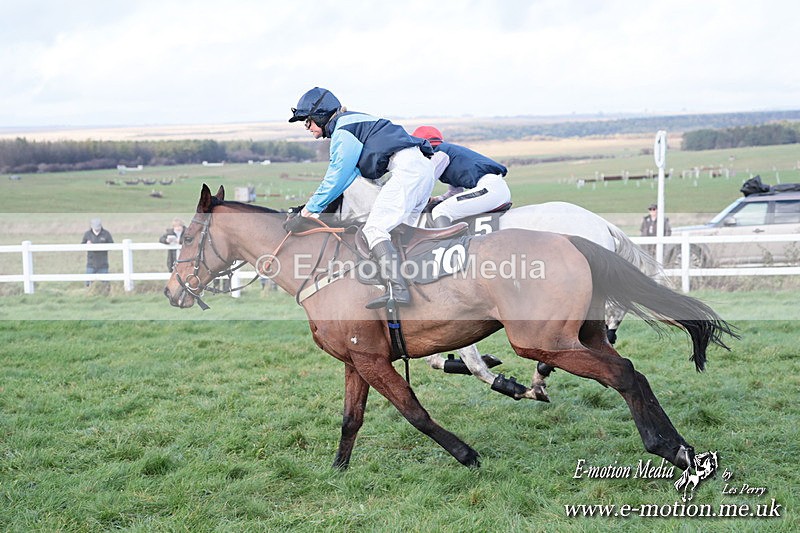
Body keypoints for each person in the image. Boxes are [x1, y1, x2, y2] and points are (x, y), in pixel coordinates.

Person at [285, 87, 435, 309]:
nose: (307, 128)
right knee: (400, 234)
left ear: (320, 116)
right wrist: (308, 207)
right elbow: (349, 180)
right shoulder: (351, 122)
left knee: (374, 230)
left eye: (307, 122)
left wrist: (308, 212)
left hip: (408, 171)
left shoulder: (343, 132)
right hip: (422, 170)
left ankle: (399, 290)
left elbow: (337, 177)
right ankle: (418, 285)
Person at [412, 126, 510, 228]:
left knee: (441, 210)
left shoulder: (439, 153)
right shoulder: (449, 152)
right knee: (445, 207)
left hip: (491, 189)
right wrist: (436, 199)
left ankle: (449, 243)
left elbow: (425, 181)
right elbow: (455, 193)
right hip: (495, 188)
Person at [81, 218, 113, 286]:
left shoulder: (106, 234)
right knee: (88, 282)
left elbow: (111, 245)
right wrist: (87, 244)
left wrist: (103, 246)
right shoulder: (87, 234)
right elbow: (82, 245)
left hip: (103, 263)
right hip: (91, 263)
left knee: (105, 283)